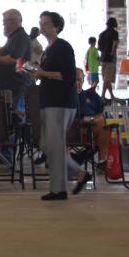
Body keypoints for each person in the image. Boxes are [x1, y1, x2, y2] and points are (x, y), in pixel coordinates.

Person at [26, 11, 90, 200]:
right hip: (50, 101)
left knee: (53, 146)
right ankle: (78, 173)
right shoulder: (48, 49)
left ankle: (58, 189)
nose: (42, 27)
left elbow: (68, 75)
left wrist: (42, 74)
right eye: (41, 23)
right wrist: (35, 71)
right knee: (48, 145)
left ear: (56, 26)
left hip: (60, 102)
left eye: (46, 23)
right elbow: (47, 73)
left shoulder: (62, 47)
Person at [0, 8, 32, 112]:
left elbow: (14, 59)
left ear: (12, 21)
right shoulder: (14, 37)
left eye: (4, 23)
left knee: (16, 118)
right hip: (10, 85)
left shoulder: (20, 37)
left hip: (16, 86)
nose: (3, 26)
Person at [75, 68, 108, 169]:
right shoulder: (65, 96)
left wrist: (92, 118)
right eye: (74, 80)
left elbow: (101, 113)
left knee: (103, 124)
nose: (76, 82)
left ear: (83, 81)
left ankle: (103, 161)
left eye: (79, 80)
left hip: (91, 127)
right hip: (72, 129)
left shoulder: (91, 94)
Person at [98, 17, 120, 101]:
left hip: (103, 58)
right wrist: (112, 52)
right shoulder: (115, 33)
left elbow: (99, 47)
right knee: (107, 79)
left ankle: (111, 96)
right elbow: (115, 43)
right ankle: (103, 95)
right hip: (110, 59)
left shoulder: (102, 34)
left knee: (106, 78)